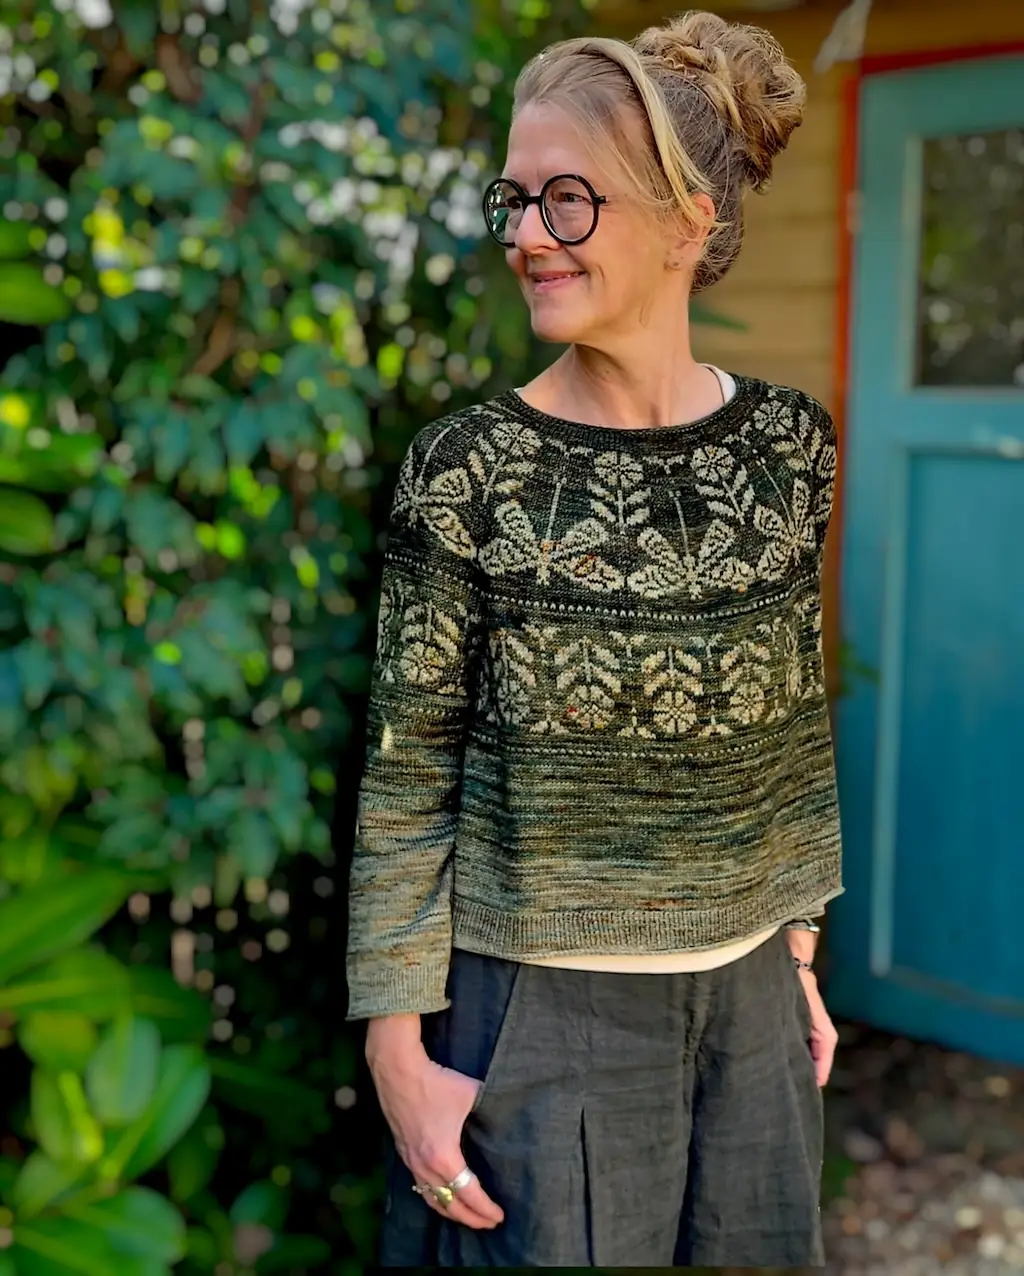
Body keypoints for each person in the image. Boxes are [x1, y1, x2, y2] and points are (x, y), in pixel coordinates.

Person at [346, 9, 843, 1267]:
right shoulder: (468, 471)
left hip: (747, 1013)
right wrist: (397, 1052)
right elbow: (410, 775)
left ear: (689, 223)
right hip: (535, 1014)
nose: (525, 235)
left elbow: (786, 715)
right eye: (513, 199)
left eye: (569, 201)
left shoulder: (790, 448)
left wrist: (796, 948)